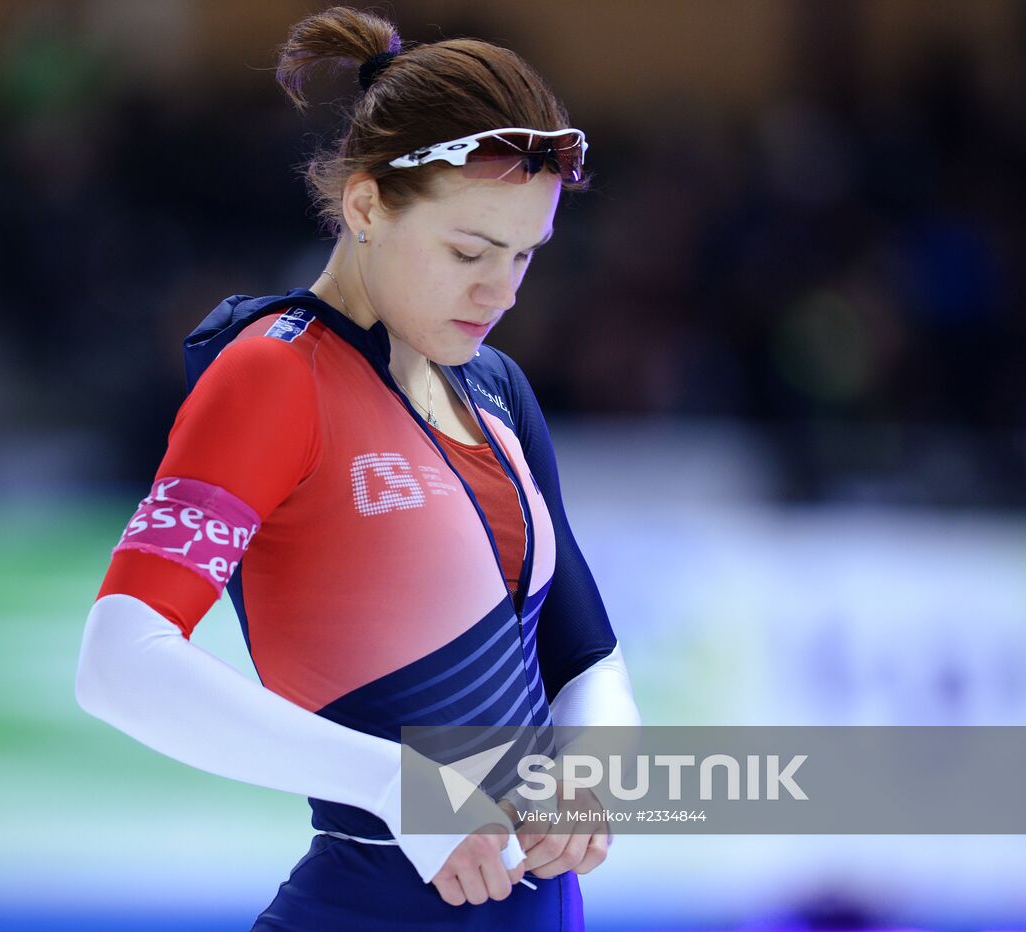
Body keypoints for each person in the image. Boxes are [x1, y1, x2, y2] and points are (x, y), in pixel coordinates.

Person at [73, 7, 641, 929]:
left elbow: (587, 656)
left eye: (525, 256)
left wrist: (588, 772)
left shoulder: (497, 389)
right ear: (367, 204)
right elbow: (117, 662)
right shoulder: (274, 377)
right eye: (468, 251)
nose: (500, 291)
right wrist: (402, 789)